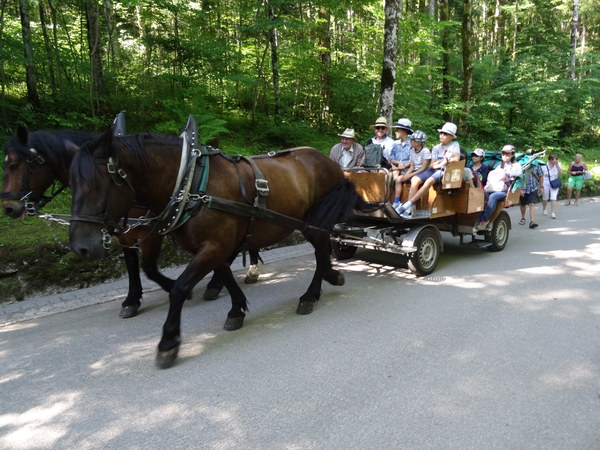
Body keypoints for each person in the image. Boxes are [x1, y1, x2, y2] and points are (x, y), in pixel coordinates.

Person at [394, 122, 461, 218]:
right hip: (435, 169)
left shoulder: (454, 145)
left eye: (445, 134)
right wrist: (439, 163)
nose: (442, 135)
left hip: (446, 171)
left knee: (429, 181)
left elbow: (456, 158)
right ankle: (411, 208)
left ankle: (407, 205)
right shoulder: (436, 148)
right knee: (415, 179)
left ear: (451, 136)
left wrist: (444, 161)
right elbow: (431, 165)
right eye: (441, 133)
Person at [474, 144, 523, 231]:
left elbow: (519, 173)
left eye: (507, 154)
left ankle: (485, 220)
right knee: (482, 195)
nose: (505, 155)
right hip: (495, 187)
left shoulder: (516, 165)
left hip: (506, 189)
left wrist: (507, 172)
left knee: (493, 196)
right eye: (503, 153)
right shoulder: (499, 165)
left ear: (512, 155)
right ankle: (477, 219)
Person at [392, 130, 430, 205]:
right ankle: (396, 202)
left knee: (413, 180)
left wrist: (410, 175)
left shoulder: (425, 151)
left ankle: (410, 205)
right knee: (398, 179)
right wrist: (407, 174)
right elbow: (412, 167)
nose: (410, 141)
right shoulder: (412, 150)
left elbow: (423, 168)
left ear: (417, 143)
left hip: (422, 172)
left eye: (412, 140)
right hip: (414, 171)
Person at [519, 154, 544, 229]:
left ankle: (532, 221)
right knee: (523, 204)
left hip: (533, 187)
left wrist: (542, 186)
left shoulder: (536, 165)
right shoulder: (521, 165)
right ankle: (523, 218)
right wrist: (519, 189)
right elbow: (516, 178)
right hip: (523, 188)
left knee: (532, 204)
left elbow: (541, 176)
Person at [541, 154, 562, 219]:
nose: (554, 161)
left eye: (555, 159)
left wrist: (557, 165)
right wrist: (541, 184)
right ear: (549, 159)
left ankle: (553, 213)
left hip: (554, 182)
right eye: (552, 159)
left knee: (553, 197)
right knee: (545, 197)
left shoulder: (558, 164)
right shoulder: (544, 165)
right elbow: (541, 175)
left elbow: (561, 172)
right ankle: (544, 209)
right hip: (546, 182)